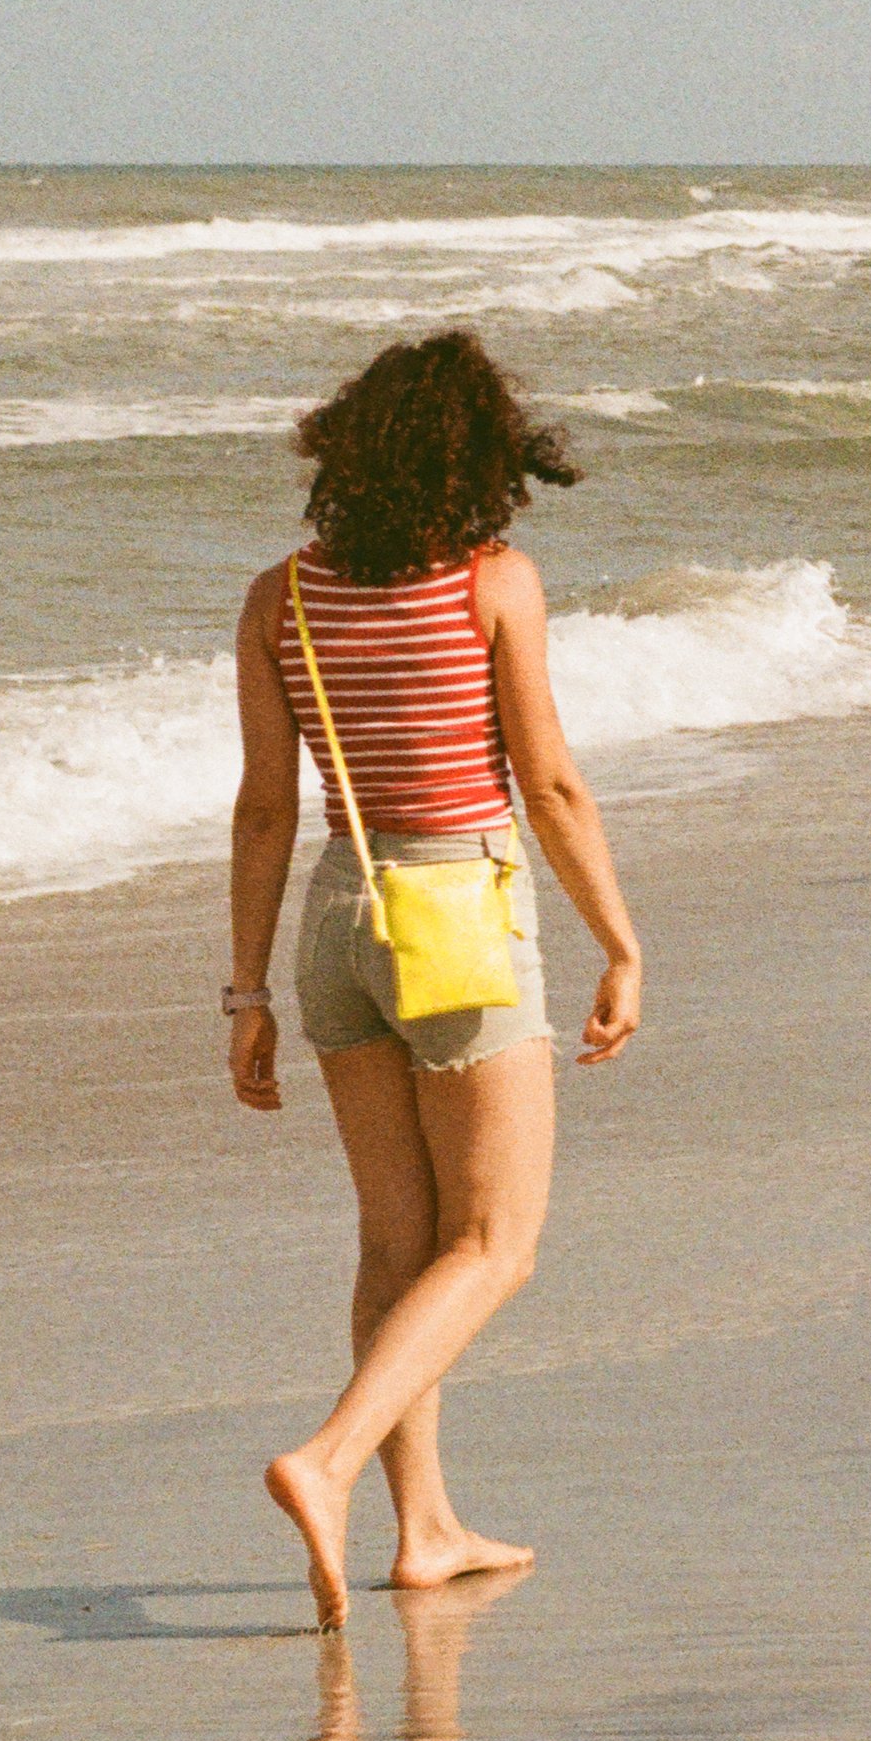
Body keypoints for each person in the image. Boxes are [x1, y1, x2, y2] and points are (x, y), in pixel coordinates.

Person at [226, 330, 643, 1629]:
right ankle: (335, 1457)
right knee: (494, 1244)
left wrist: (245, 994)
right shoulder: (492, 585)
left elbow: (260, 812)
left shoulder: (281, 598)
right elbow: (551, 781)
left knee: (397, 1242)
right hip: (456, 911)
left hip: (338, 922)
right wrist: (622, 941)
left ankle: (425, 1525)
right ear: (479, 458)